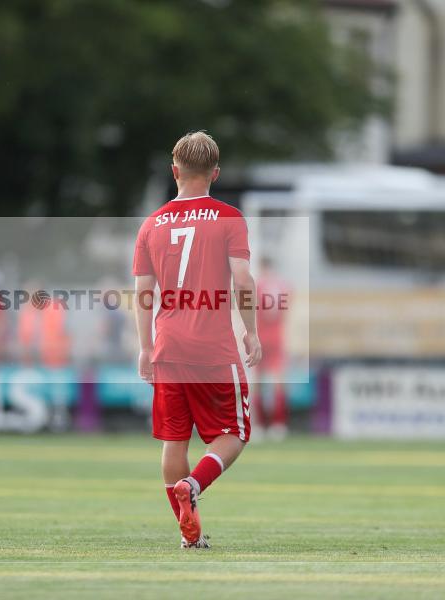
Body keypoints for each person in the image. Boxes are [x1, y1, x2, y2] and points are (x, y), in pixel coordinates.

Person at [133, 131, 261, 549]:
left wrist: (145, 347)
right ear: (215, 174)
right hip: (212, 346)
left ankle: (189, 535)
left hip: (168, 344)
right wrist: (251, 331)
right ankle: (194, 484)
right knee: (234, 434)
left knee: (174, 439)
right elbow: (242, 279)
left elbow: (143, 293)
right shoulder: (228, 217)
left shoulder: (151, 224)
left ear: (174, 171)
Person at [251, 256, 289, 441]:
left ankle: (258, 425)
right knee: (278, 382)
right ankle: (278, 424)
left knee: (256, 382)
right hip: (276, 338)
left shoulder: (255, 286)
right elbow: (286, 314)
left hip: (259, 338)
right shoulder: (283, 287)